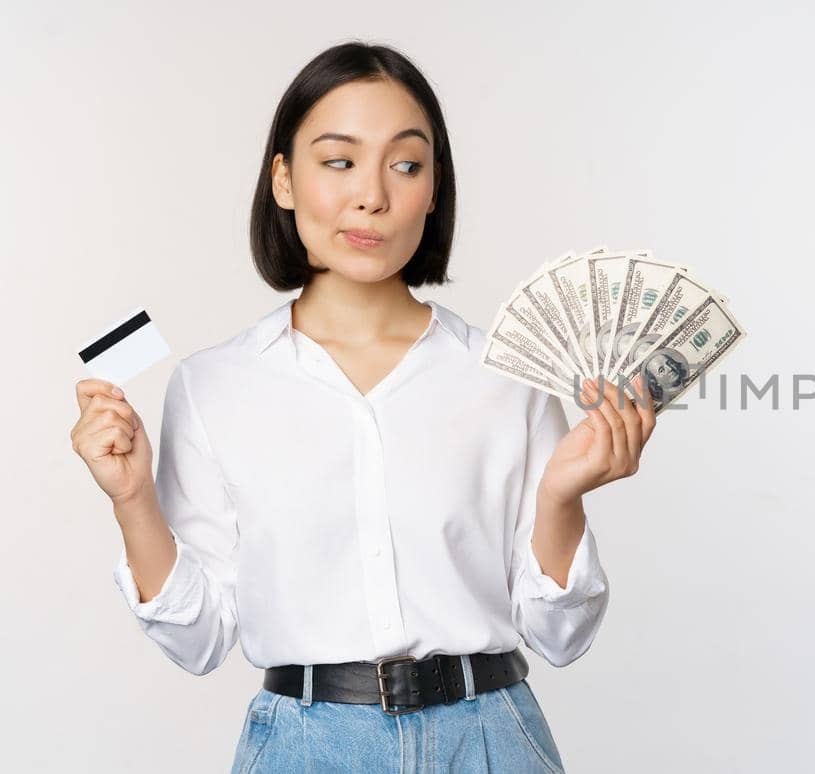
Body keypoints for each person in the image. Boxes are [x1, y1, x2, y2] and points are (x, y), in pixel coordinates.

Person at [67, 42, 656, 773]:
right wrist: (132, 500)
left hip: (491, 741)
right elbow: (199, 640)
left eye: (406, 164)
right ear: (283, 178)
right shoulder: (212, 384)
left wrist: (563, 497)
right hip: (305, 748)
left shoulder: (505, 374)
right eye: (339, 161)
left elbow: (562, 637)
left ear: (434, 188)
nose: (372, 195)